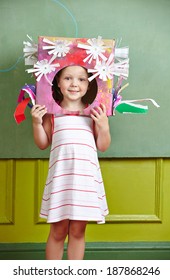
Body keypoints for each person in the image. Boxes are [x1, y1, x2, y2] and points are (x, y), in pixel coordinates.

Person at [31, 65, 111, 260]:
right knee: (58, 231)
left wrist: (103, 126)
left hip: (84, 183)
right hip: (61, 181)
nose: (74, 84)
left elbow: (103, 146)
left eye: (81, 79)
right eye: (68, 78)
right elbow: (42, 143)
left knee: (77, 231)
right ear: (57, 82)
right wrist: (36, 123)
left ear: (89, 84)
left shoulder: (94, 113)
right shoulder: (52, 114)